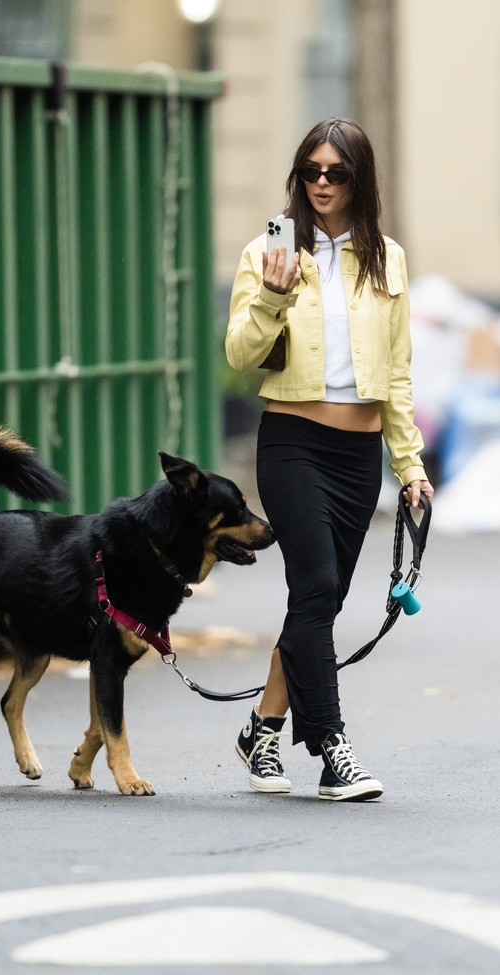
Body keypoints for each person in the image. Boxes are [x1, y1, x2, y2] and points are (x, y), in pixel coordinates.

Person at [225, 118, 434, 802]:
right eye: (310, 170)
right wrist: (276, 293)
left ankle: (263, 727)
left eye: (335, 173)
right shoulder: (269, 251)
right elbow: (239, 354)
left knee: (320, 600)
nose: (320, 183)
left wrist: (410, 466)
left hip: (357, 454)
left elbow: (398, 373)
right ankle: (330, 747)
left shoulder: (387, 258)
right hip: (292, 442)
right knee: (316, 586)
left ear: (359, 180)